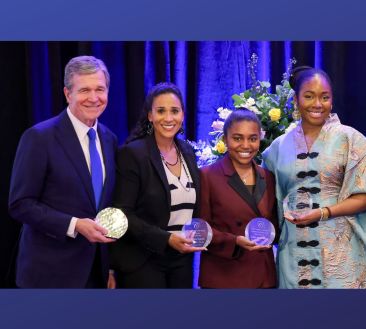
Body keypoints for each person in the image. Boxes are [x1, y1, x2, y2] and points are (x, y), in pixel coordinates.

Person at [262, 66, 366, 288]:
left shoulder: (351, 139)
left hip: (341, 254)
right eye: (309, 96)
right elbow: (267, 203)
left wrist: (324, 212)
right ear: (296, 100)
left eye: (325, 97)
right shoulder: (278, 147)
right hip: (294, 252)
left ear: (332, 100)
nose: (317, 104)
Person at [8, 55, 117, 288]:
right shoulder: (39, 138)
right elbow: (20, 204)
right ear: (68, 94)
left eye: (100, 89)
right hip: (50, 274)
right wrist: (75, 225)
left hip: (96, 273)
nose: (94, 98)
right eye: (84, 90)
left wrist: (110, 267)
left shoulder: (109, 139)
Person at [110, 82, 205, 288]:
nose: (168, 118)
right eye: (161, 111)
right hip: (143, 260)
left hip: (181, 260)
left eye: (174, 111)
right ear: (150, 115)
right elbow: (122, 214)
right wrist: (166, 239)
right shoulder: (132, 154)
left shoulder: (188, 152)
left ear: (183, 115)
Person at [198, 109, 278, 288]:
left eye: (252, 138)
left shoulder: (268, 177)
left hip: (262, 277)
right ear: (225, 140)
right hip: (224, 276)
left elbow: (274, 226)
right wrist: (234, 241)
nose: (246, 145)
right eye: (237, 138)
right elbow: (201, 230)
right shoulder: (207, 176)